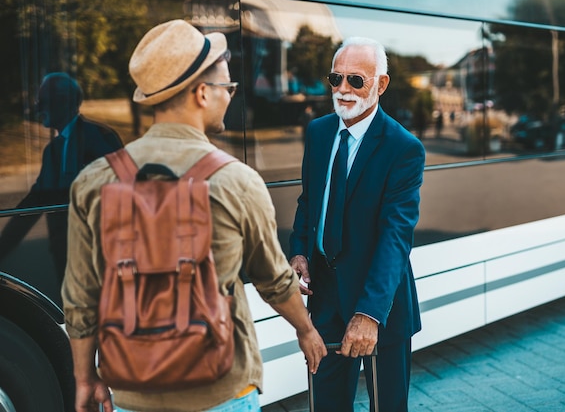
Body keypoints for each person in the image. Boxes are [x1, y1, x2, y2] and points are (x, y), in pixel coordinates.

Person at [61, 20, 326, 412]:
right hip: (221, 388)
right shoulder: (236, 180)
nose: (231, 96)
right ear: (202, 93)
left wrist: (84, 379)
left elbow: (80, 298)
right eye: (228, 88)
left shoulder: (92, 182)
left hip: (133, 393)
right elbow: (273, 279)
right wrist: (306, 331)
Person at [289, 37, 426, 412]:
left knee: (386, 407)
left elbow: (395, 237)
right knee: (326, 405)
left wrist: (369, 314)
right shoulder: (318, 133)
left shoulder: (404, 148)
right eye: (336, 79)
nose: (343, 90)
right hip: (325, 299)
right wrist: (299, 250)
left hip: (380, 305)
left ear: (381, 85)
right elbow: (308, 203)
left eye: (356, 80)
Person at [0, 72, 122, 285]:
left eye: (43, 101)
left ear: (64, 101)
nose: (37, 108)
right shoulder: (52, 151)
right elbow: (35, 202)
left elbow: (122, 188)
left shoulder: (99, 137)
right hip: (64, 256)